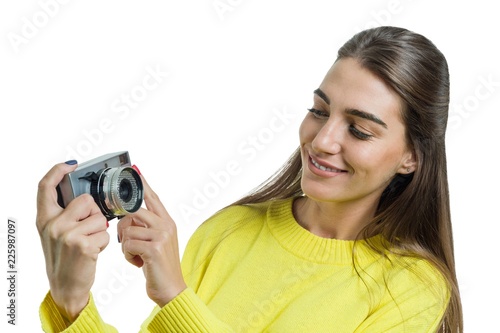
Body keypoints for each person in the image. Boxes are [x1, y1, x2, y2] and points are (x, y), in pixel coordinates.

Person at [36, 26, 463, 332]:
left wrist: (176, 299)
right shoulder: (231, 229)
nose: (322, 140)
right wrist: (71, 301)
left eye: (359, 130)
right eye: (319, 110)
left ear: (411, 157)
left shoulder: (411, 289)